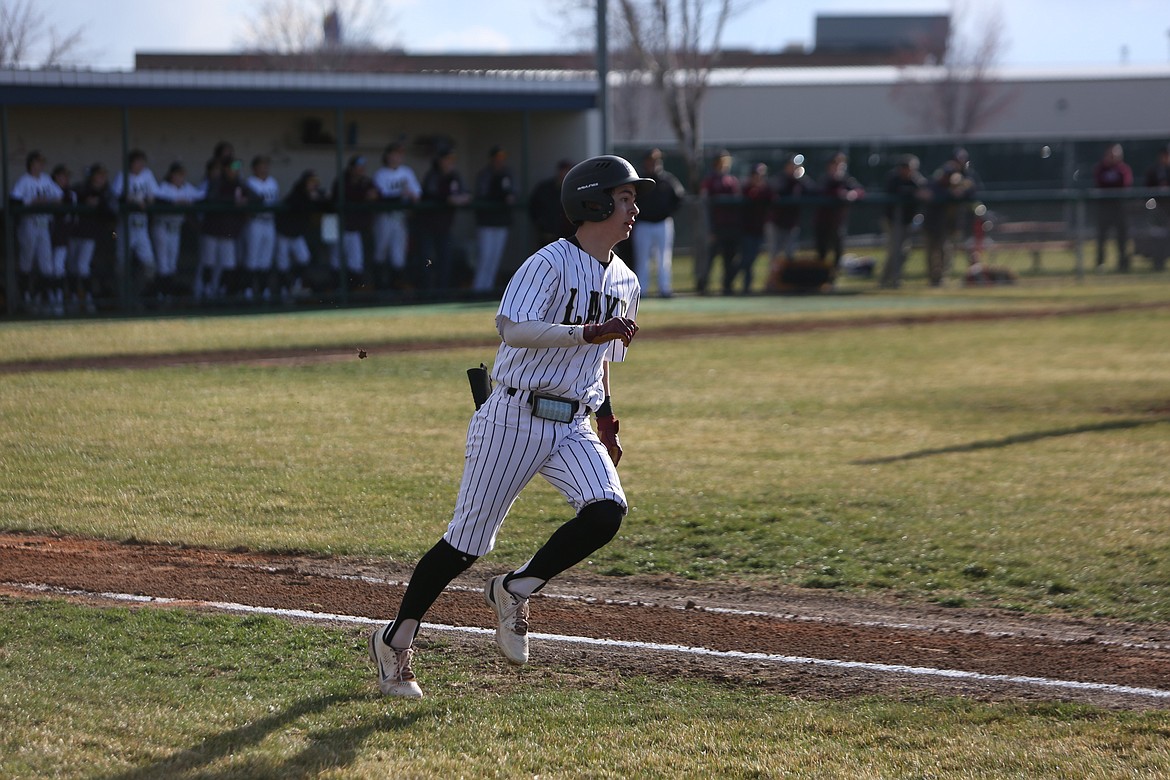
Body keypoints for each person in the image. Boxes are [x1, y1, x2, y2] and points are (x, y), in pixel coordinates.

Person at [368, 154, 652, 699]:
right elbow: (514, 330)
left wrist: (609, 421)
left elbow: (604, 361)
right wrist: (587, 331)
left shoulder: (625, 278)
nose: (633, 208)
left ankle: (515, 588)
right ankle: (395, 641)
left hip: (573, 421)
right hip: (514, 414)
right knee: (464, 544)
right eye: (623, 198)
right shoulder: (547, 263)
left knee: (606, 512)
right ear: (592, 203)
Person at [10, 150, 64, 311]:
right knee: (26, 262)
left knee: (46, 266)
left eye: (42, 162)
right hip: (29, 224)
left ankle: (40, 297)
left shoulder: (46, 179)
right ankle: (25, 297)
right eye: (38, 162)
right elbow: (15, 200)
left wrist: (48, 201)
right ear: (31, 164)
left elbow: (60, 196)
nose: (41, 165)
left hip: (44, 224)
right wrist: (33, 201)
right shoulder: (24, 180)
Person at [630, 148, 686, 298]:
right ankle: (642, 290)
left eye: (656, 160)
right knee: (642, 259)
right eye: (651, 160)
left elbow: (679, 197)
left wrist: (668, 212)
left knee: (664, 258)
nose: (654, 163)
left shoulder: (667, 179)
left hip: (663, 223)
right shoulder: (640, 181)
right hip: (643, 223)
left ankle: (665, 288)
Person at [415, 147, 470, 292]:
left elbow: (465, 194)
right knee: (426, 261)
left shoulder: (455, 176)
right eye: (447, 159)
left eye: (452, 160)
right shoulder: (432, 175)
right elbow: (434, 194)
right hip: (426, 225)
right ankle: (425, 293)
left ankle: (442, 292)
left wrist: (458, 198)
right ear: (440, 161)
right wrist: (449, 199)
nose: (450, 163)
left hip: (445, 226)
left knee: (445, 259)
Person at [372, 141, 422, 289]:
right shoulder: (380, 174)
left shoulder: (406, 172)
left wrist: (411, 196)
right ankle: (379, 289)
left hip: (400, 218)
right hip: (384, 217)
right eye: (394, 153)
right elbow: (382, 196)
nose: (396, 157)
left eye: (400, 154)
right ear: (387, 156)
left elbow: (417, 194)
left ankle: (396, 289)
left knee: (398, 256)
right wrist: (401, 194)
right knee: (380, 252)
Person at [152, 162, 203, 301]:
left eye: (182, 175)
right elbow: (156, 198)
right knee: (163, 264)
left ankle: (167, 295)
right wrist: (174, 202)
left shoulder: (186, 188)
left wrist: (188, 202)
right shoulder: (164, 187)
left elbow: (201, 196)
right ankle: (160, 295)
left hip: (176, 229)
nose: (180, 178)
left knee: (172, 264)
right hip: (162, 227)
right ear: (171, 175)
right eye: (177, 174)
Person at [69, 163, 115, 313]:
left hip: (99, 237)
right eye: (98, 175)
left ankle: (89, 300)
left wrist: (99, 202)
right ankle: (73, 299)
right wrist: (86, 200)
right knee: (72, 267)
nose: (101, 178)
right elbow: (73, 194)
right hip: (75, 233)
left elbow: (112, 212)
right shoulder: (81, 189)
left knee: (83, 267)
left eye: (103, 175)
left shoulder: (107, 192)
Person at [923, 159, 976, 287]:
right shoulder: (934, 184)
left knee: (945, 251)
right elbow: (929, 194)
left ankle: (941, 278)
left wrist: (958, 188)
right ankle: (933, 279)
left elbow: (971, 190)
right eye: (946, 175)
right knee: (931, 252)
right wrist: (949, 193)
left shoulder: (960, 184)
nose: (947, 177)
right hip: (931, 224)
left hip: (946, 226)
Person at [274, 169, 325, 299]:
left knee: (304, 258)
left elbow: (327, 205)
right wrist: (311, 199)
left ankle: (294, 285)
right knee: (282, 265)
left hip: (297, 234)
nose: (313, 185)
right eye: (310, 182)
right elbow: (297, 206)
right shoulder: (296, 194)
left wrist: (319, 198)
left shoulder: (315, 194)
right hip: (284, 233)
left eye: (315, 182)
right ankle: (283, 291)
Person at [472, 145, 517, 293]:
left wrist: (509, 197)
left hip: (501, 221)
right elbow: (483, 194)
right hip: (486, 222)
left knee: (495, 258)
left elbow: (512, 192)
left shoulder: (507, 174)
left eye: (502, 158)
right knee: (485, 257)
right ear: (492, 159)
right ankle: (478, 290)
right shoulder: (485, 174)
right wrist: (501, 197)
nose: (500, 161)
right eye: (498, 158)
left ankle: (487, 290)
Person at [330, 155, 379, 290]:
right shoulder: (341, 182)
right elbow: (342, 198)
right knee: (336, 261)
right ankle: (338, 292)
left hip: (359, 229)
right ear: (351, 168)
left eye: (362, 167)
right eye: (358, 167)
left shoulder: (367, 182)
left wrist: (372, 196)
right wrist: (363, 195)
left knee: (357, 263)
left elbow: (377, 195)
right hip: (340, 228)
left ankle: (354, 293)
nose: (361, 170)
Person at [879, 154, 928, 289]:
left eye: (910, 168)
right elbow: (896, 191)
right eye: (905, 167)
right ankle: (889, 280)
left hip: (907, 221)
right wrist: (913, 193)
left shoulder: (916, 179)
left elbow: (926, 190)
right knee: (895, 250)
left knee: (903, 251)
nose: (907, 170)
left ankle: (891, 279)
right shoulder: (893, 178)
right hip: (891, 221)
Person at [111, 149, 159, 285]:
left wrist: (147, 200)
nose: (140, 165)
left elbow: (154, 195)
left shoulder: (147, 174)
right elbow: (117, 195)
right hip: (124, 227)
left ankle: (137, 296)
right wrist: (133, 200)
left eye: (142, 162)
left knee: (149, 266)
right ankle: (122, 297)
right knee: (121, 264)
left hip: (142, 226)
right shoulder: (122, 175)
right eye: (137, 162)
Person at [697, 149, 742, 295]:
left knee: (729, 259)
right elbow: (704, 205)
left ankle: (727, 286)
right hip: (715, 227)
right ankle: (702, 286)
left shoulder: (732, 181)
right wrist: (709, 229)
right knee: (709, 259)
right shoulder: (709, 181)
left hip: (730, 227)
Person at [812, 152, 864, 270]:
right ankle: (820, 278)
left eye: (841, 164)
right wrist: (840, 194)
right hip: (822, 222)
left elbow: (860, 190)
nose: (838, 167)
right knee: (822, 253)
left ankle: (832, 278)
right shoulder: (825, 179)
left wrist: (852, 194)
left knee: (838, 251)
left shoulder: (846, 180)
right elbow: (821, 191)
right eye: (835, 164)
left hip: (838, 223)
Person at [243, 154, 280, 301]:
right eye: (261, 165)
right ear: (254, 168)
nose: (264, 168)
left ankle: (264, 290)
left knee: (266, 259)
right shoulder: (249, 183)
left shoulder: (273, 182)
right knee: (252, 258)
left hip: (269, 222)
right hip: (255, 222)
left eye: (266, 165)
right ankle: (248, 290)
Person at [1093, 143, 1133, 272]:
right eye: (1110, 154)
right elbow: (1099, 183)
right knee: (1102, 238)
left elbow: (1124, 184)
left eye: (1115, 154)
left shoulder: (1123, 169)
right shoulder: (1100, 169)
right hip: (1104, 208)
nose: (1112, 157)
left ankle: (1123, 265)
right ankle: (1100, 264)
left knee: (1122, 238)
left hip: (1120, 208)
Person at [737, 162, 774, 294]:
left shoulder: (766, 190)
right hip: (746, 230)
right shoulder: (746, 189)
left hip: (759, 230)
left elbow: (772, 199)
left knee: (751, 259)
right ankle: (744, 285)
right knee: (746, 259)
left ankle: (747, 286)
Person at [770, 153, 813, 264]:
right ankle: (772, 280)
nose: (794, 168)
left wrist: (800, 178)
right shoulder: (780, 179)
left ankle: (787, 280)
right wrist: (793, 179)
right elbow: (780, 190)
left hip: (791, 224)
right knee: (775, 255)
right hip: (777, 223)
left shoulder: (801, 181)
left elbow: (813, 190)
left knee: (790, 255)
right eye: (792, 165)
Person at [527, 159, 576, 249]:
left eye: (569, 171)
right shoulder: (545, 189)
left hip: (568, 237)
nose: (566, 174)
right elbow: (533, 207)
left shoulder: (573, 190)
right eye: (564, 170)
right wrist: (541, 225)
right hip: (548, 235)